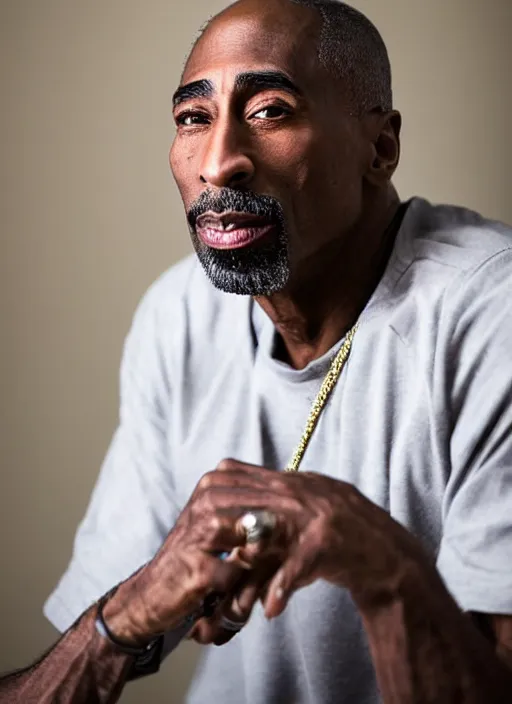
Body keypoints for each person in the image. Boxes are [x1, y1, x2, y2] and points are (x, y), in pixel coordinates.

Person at [2, 0, 512, 701]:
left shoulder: (491, 312)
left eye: (270, 110)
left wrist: (384, 566)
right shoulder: (178, 315)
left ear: (380, 148)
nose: (219, 163)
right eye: (193, 118)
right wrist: (135, 607)